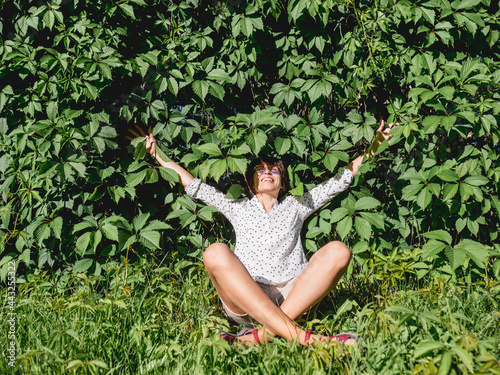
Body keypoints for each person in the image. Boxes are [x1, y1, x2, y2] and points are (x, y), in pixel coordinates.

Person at [145, 120, 396, 346]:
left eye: (273, 170)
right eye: (260, 170)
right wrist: (160, 157)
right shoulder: (237, 206)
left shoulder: (297, 204)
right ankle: (309, 339)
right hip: (247, 295)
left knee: (339, 251)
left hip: (294, 294)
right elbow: (195, 187)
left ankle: (263, 335)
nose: (267, 172)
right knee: (214, 252)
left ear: (282, 182)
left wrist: (373, 148)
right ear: (251, 183)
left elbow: (339, 182)